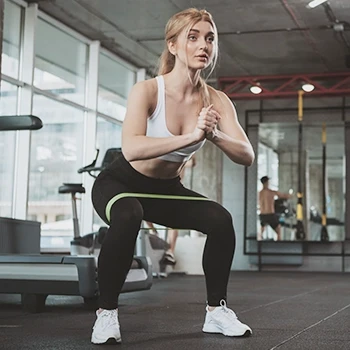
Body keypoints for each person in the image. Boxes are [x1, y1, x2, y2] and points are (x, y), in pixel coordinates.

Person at [90, 8, 255, 345]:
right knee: (128, 212)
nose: (203, 45)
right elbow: (133, 149)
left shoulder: (217, 101)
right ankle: (106, 314)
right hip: (119, 184)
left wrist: (214, 135)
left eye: (209, 38)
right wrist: (190, 137)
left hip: (165, 189)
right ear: (173, 45)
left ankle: (216, 312)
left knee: (221, 221)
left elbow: (247, 155)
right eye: (192, 37)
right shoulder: (148, 91)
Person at [146, 155, 196, 266]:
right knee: (144, 212)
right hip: (157, 189)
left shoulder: (182, 159)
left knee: (174, 221)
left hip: (173, 191)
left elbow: (192, 162)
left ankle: (171, 252)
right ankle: (153, 231)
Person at [258, 176, 292, 241]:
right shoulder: (271, 192)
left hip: (262, 215)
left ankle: (259, 244)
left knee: (261, 231)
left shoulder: (259, 193)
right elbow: (283, 196)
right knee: (278, 230)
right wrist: (290, 195)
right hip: (270, 214)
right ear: (266, 183)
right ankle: (279, 245)